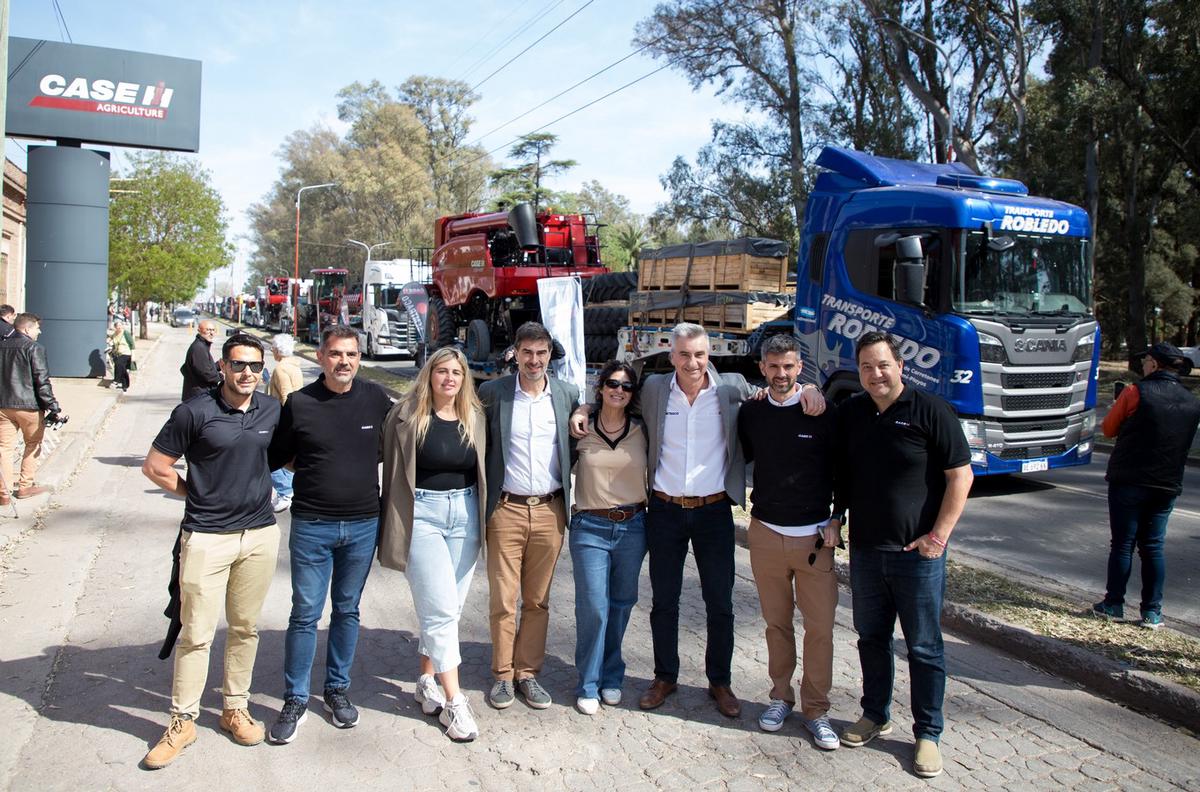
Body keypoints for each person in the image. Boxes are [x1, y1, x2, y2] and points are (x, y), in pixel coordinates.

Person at [571, 323, 823, 719]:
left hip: (714, 511)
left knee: (719, 602)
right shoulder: (654, 390)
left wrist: (810, 389)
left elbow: (780, 389)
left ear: (711, 356)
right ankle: (665, 676)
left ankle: (720, 682)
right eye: (685, 354)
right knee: (664, 601)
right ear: (671, 356)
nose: (693, 362)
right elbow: (613, 401)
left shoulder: (733, 388)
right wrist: (584, 407)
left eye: (700, 354)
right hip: (666, 511)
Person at [835, 331, 973, 779]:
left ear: (900, 366)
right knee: (871, 640)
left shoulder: (931, 410)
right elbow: (844, 474)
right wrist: (838, 515)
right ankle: (875, 714)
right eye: (867, 367)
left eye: (882, 365)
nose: (875, 374)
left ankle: (928, 734)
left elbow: (961, 477)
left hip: (918, 556)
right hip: (867, 554)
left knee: (924, 648)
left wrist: (939, 536)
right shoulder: (853, 412)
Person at [140, 333, 280, 769]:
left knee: (245, 628)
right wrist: (195, 494)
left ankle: (234, 709)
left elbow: (284, 458)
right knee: (196, 633)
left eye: (255, 366)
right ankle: (183, 721)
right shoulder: (194, 412)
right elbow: (155, 466)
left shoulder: (271, 409)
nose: (247, 374)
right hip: (206, 538)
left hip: (259, 535)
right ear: (221, 366)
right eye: (239, 365)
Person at [266, 326, 393, 744]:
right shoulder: (300, 404)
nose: (344, 362)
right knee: (304, 614)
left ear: (359, 358)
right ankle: (295, 697)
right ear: (320, 357)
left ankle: (337, 690)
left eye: (352, 355)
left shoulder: (375, 399)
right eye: (336, 354)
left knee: (347, 610)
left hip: (361, 525)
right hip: (312, 525)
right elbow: (279, 458)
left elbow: (401, 437)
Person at [378, 346, 487, 741]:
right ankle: (456, 703)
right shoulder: (406, 416)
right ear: (430, 375)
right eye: (441, 371)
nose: (449, 379)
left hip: (466, 514)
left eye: (456, 372)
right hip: (421, 516)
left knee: (448, 609)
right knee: (440, 609)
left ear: (464, 379)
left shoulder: (474, 416)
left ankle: (427, 679)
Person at [737, 334, 841, 749]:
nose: (781, 374)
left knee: (820, 629)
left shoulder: (822, 411)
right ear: (762, 368)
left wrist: (838, 517)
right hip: (764, 533)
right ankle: (781, 696)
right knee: (776, 625)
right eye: (774, 367)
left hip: (814, 539)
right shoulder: (752, 412)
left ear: (801, 369)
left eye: (789, 367)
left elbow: (844, 470)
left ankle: (816, 709)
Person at [478, 321, 579, 711]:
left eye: (541, 353)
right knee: (504, 599)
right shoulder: (493, 393)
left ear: (549, 355)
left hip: (551, 511)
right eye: (527, 353)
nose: (534, 361)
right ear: (515, 354)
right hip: (506, 510)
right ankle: (502, 676)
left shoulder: (568, 395)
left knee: (537, 601)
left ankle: (528, 673)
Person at [1093, 342, 1200, 629]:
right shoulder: (1192, 401)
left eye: (1145, 361)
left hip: (1129, 478)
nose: (1142, 365)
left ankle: (1114, 603)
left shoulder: (1134, 392)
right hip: (1166, 482)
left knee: (1123, 544)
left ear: (1153, 363)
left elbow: (1108, 428)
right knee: (1153, 547)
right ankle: (1152, 612)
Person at [569, 360, 647, 715]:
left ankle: (612, 676)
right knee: (594, 607)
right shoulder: (581, 429)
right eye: (613, 384)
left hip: (633, 525)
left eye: (627, 386)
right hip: (590, 527)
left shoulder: (642, 429)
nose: (619, 390)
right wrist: (581, 409)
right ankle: (588, 681)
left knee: (621, 604)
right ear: (600, 387)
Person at [0, 313, 67, 502]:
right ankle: (25, 487)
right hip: (29, 406)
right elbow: (42, 380)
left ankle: (3, 494)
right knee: (33, 444)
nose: (40, 331)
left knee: (4, 448)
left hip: (3, 405)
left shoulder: (2, 345)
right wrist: (53, 406)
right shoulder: (34, 348)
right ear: (27, 329)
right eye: (37, 327)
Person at [266, 334, 303, 513]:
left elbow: (287, 396)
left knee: (270, 456)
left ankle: (285, 491)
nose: (272, 350)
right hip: (293, 417)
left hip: (281, 418)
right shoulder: (294, 367)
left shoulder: (280, 369)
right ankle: (287, 490)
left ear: (278, 350)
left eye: (273, 347)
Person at [180, 319, 221, 401]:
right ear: (199, 330)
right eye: (208, 330)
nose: (211, 333)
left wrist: (219, 365)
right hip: (198, 397)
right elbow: (206, 374)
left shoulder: (202, 345)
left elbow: (203, 367)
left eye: (213, 330)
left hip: (200, 395)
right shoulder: (198, 348)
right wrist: (222, 377)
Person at [108, 319, 134, 391]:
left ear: (122, 326)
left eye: (120, 325)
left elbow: (132, 344)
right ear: (115, 327)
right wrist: (109, 341)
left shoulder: (125, 333)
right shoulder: (115, 333)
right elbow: (111, 338)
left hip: (126, 353)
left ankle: (116, 381)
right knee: (122, 369)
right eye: (117, 326)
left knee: (118, 364)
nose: (118, 327)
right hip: (118, 354)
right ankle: (124, 385)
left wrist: (133, 355)